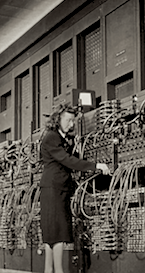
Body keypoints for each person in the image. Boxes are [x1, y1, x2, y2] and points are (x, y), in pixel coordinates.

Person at [39, 103, 111, 273]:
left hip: (58, 188)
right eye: (68, 120)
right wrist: (96, 165)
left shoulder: (62, 138)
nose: (72, 124)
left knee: (53, 234)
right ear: (58, 120)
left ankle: (50, 271)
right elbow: (67, 161)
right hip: (53, 188)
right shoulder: (51, 137)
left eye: (73, 121)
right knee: (56, 233)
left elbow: (69, 158)